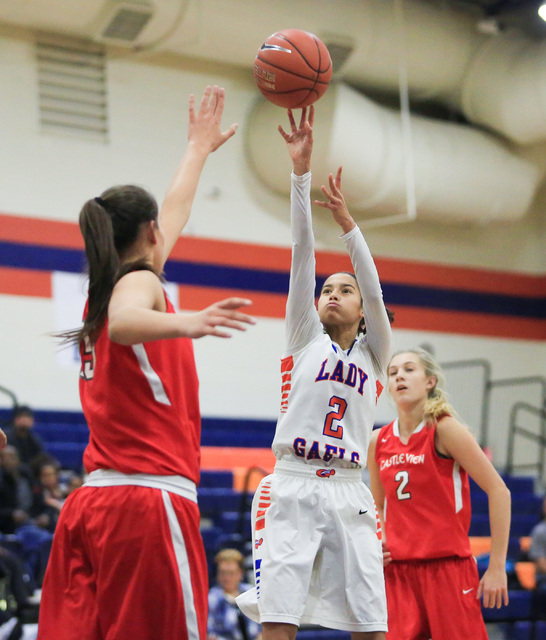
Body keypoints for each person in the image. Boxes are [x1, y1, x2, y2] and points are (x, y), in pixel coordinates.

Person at [36, 85, 255, 640]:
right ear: (150, 234)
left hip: (90, 506)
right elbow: (128, 321)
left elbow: (174, 208)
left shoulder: (103, 287)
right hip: (147, 502)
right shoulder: (136, 286)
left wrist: (197, 149)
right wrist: (191, 321)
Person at [236, 107, 393, 640]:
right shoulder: (303, 338)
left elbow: (374, 291)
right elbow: (303, 253)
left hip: (351, 489)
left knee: (370, 625)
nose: (331, 293)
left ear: (363, 311)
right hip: (295, 483)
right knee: (279, 622)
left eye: (342, 289)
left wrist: (351, 229)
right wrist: (300, 177)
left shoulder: (375, 356)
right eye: (327, 290)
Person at [368, 348, 511, 640]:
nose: (400, 377)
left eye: (409, 369)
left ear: (430, 381)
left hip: (447, 569)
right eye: (393, 372)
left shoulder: (445, 429)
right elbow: (376, 505)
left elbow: (499, 491)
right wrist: (374, 543)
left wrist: (497, 566)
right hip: (398, 573)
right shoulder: (377, 440)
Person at [208, 548, 261, 640]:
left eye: (231, 573)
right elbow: (210, 634)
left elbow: (262, 626)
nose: (227, 578)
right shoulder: (212, 598)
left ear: (240, 574)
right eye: (223, 573)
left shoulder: (250, 592)